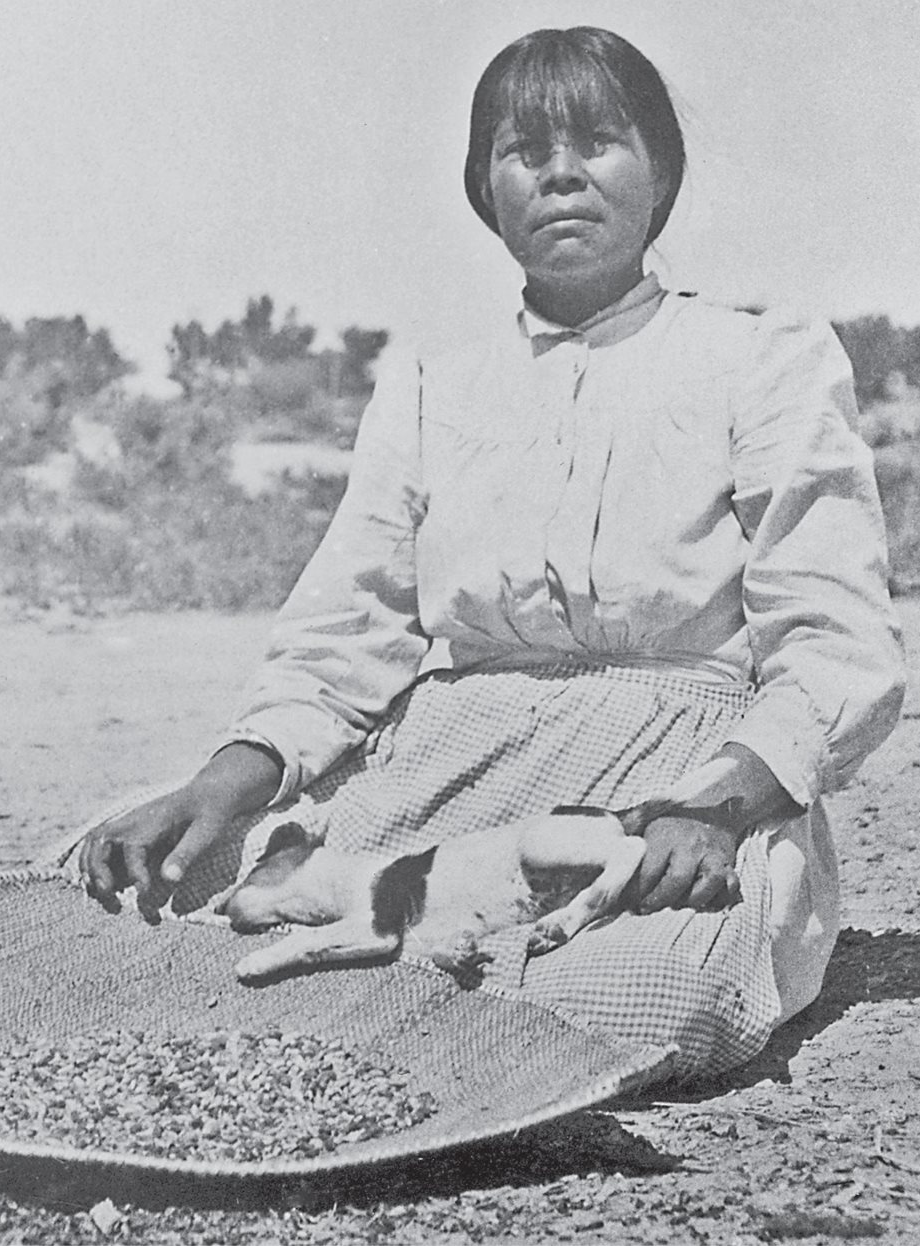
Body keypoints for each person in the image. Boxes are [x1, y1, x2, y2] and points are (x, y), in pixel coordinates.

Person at [81, 27, 906, 1079]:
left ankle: (376, 1032)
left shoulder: (760, 358)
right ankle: (374, 1024)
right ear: (485, 189)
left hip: (670, 788)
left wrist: (714, 805)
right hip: (443, 772)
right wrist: (221, 783)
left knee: (635, 987)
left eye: (599, 142)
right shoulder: (434, 386)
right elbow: (351, 630)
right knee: (128, 872)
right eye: (523, 151)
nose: (559, 173)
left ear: (659, 175)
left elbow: (834, 644)